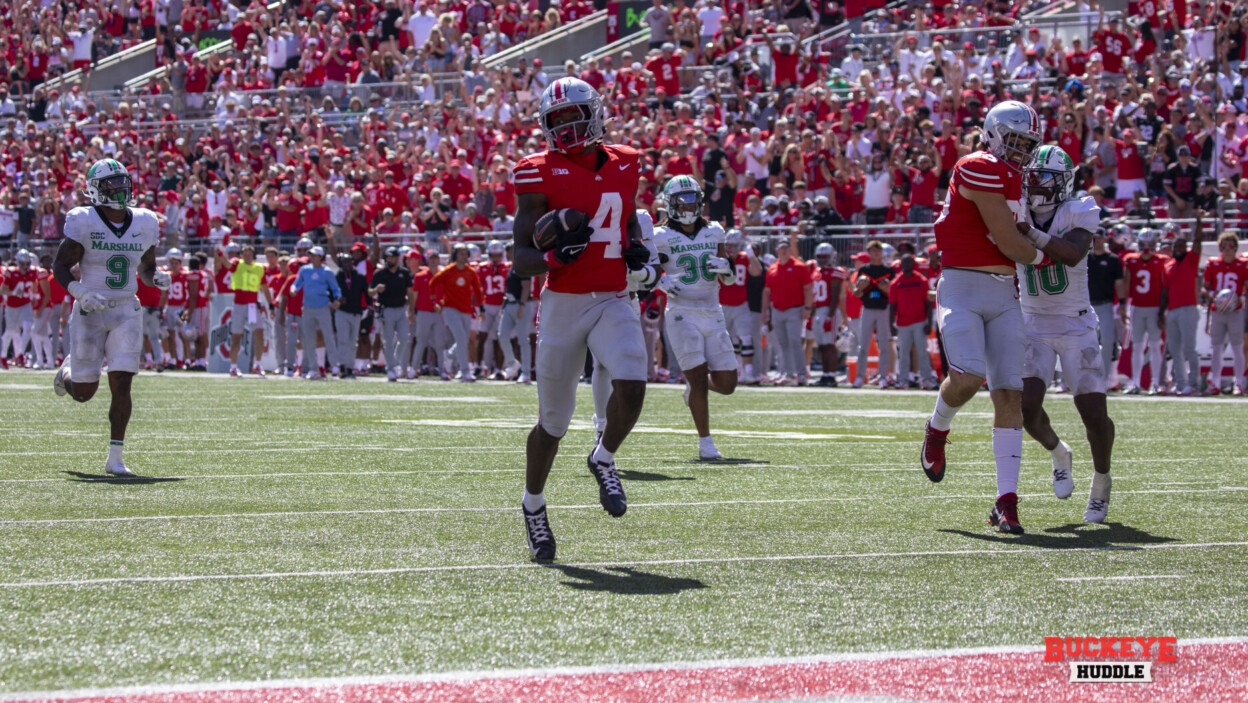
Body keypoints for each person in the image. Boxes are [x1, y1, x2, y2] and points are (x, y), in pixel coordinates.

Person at [511, 77, 650, 561]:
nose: (567, 128)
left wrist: (634, 247)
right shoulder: (535, 172)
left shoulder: (627, 161)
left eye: (574, 116)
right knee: (552, 422)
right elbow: (520, 257)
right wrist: (553, 259)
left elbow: (627, 215)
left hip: (612, 296)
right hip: (563, 302)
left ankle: (603, 456)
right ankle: (533, 507)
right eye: (558, 121)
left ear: (594, 113)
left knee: (632, 382)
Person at [920, 101, 1045, 534]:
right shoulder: (978, 164)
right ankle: (937, 428)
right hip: (963, 283)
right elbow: (1011, 241)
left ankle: (1006, 502)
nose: (1020, 150)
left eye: (1028, 144)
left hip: (1004, 290)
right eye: (1014, 140)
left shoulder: (1019, 176)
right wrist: (1050, 253)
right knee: (969, 376)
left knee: (1010, 394)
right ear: (993, 134)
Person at [1014, 145, 1116, 524]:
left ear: (1063, 182)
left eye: (1044, 178)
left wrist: (1030, 235)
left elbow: (1072, 253)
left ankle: (1102, 478)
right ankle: (1059, 452)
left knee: (1093, 413)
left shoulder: (1080, 208)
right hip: (1033, 323)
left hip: (1075, 324)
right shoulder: (1018, 208)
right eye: (1032, 176)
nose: (1036, 183)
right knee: (1025, 407)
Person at [51, 159, 166, 477]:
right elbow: (60, 266)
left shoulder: (144, 220)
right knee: (84, 393)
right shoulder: (83, 220)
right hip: (89, 309)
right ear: (94, 189)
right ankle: (68, 373)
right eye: (111, 184)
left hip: (126, 309)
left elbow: (146, 268)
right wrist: (79, 291)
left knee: (122, 380)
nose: (119, 189)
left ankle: (116, 457)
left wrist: (157, 278)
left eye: (122, 183)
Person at [653, 176, 737, 460]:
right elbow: (647, 270)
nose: (687, 206)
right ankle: (706, 443)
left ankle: (692, 388)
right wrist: (659, 281)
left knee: (727, 385)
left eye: (692, 200)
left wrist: (727, 266)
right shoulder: (660, 235)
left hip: (712, 311)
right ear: (670, 203)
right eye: (682, 200)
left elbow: (728, 278)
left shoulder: (714, 230)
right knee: (699, 377)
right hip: (681, 312)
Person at [1160, 218, 1206, 396]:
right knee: (1175, 349)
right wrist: (1160, 313)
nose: (1179, 249)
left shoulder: (1191, 260)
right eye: (1176, 247)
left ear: (1186, 248)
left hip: (1188, 308)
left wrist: (1199, 224)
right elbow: (1165, 291)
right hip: (1172, 310)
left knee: (1189, 348)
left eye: (1181, 246)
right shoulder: (1168, 266)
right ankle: (1180, 383)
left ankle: (1193, 383)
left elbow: (1198, 243)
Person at [761, 239, 814, 385]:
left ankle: (801, 374)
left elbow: (808, 288)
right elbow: (767, 292)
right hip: (777, 310)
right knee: (783, 343)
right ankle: (789, 374)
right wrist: (765, 311)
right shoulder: (772, 269)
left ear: (790, 250)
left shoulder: (799, 266)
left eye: (786, 248)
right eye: (781, 249)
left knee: (795, 341)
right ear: (777, 251)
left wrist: (807, 307)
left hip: (795, 309)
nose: (784, 251)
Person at [1122, 229, 1168, 394]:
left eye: (1150, 244)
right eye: (1144, 244)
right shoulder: (1131, 261)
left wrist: (1163, 311)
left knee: (1155, 346)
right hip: (1137, 307)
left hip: (1155, 307)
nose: (1147, 248)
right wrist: (1124, 306)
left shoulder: (1162, 261)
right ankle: (1135, 383)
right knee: (1138, 346)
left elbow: (1165, 287)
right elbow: (1126, 284)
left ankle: (1155, 383)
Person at [430, 244, 484, 382]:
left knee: (463, 340)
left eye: (465, 254)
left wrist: (481, 308)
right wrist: (434, 301)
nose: (463, 256)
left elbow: (478, 291)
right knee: (461, 338)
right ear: (455, 255)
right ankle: (465, 371)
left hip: (466, 309)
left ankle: (449, 356)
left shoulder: (470, 272)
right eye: (460, 253)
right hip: (450, 309)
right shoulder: (448, 271)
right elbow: (433, 283)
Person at [217, 244, 273, 377]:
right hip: (239, 304)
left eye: (249, 254)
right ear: (241, 255)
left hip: (252, 305)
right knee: (237, 336)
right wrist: (220, 254)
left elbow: (264, 287)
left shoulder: (259, 268)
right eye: (245, 254)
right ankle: (233, 366)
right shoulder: (238, 264)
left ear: (253, 256)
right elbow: (227, 265)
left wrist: (271, 305)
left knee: (259, 333)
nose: (247, 256)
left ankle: (258, 364)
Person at [1203, 231, 1248, 395]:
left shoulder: (1242, 264)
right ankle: (1215, 383)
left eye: (1231, 246)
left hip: (1236, 311)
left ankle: (1239, 384)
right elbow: (1205, 288)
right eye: (1224, 246)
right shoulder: (1212, 264)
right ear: (1220, 247)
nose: (1228, 249)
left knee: (1238, 348)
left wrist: (1240, 299)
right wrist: (1213, 296)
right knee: (1216, 349)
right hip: (1218, 311)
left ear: (1236, 248)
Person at [719, 229, 763, 382]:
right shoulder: (722, 258)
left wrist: (751, 255)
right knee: (728, 340)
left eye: (733, 245)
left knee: (746, 338)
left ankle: (749, 372)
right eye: (728, 244)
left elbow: (757, 271)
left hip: (741, 305)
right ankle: (737, 372)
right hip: (722, 304)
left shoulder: (745, 258)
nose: (730, 248)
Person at [292, 246, 341, 380]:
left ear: (320, 257)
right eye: (311, 255)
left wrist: (337, 299)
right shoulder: (304, 270)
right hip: (307, 307)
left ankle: (334, 365)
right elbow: (297, 283)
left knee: (328, 336)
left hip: (323, 307)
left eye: (315, 255)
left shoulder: (327, 272)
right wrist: (293, 289)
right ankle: (313, 368)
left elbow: (335, 288)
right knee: (308, 339)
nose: (312, 257)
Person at [1086, 229, 1126, 387]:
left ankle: (1104, 378)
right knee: (1085, 341)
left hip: (1106, 304)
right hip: (1087, 304)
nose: (1097, 240)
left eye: (1099, 238)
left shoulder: (1113, 259)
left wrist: (1122, 303)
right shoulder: (1086, 258)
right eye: (1094, 238)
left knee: (1108, 340)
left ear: (1104, 239)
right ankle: (1083, 376)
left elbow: (1120, 283)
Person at [370, 246, 415, 382]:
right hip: (386, 309)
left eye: (393, 257)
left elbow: (410, 293)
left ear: (397, 258)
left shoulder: (404, 273)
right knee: (388, 341)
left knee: (404, 338)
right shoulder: (380, 274)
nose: (390, 260)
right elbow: (370, 291)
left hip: (401, 309)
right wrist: (376, 289)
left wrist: (411, 310)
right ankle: (391, 369)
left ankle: (394, 363)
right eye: (388, 257)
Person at [853, 241, 894, 388]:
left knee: (884, 345)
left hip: (883, 308)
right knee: (863, 344)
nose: (876, 253)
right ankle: (859, 377)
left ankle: (883, 376)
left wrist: (886, 290)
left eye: (878, 250)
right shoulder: (864, 270)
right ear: (869, 253)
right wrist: (861, 287)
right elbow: (857, 293)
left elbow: (893, 294)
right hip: (868, 308)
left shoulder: (889, 270)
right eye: (873, 251)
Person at [889, 253, 932, 390]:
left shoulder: (922, 280)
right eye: (904, 262)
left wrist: (929, 323)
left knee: (922, 352)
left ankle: (926, 380)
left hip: (919, 321)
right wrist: (891, 324)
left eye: (909, 262)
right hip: (902, 323)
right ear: (901, 265)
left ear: (913, 264)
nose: (907, 265)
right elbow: (892, 306)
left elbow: (928, 304)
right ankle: (903, 380)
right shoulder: (896, 283)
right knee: (903, 353)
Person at [811, 243, 847, 387]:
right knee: (822, 345)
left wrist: (829, 316)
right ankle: (825, 375)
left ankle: (831, 376)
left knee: (830, 345)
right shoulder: (816, 271)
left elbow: (835, 295)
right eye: (819, 257)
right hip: (818, 310)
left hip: (828, 310)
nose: (822, 259)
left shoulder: (835, 272)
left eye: (825, 256)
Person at [334, 250, 372, 380]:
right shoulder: (337, 276)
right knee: (342, 339)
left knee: (353, 341)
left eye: (349, 262)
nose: (347, 264)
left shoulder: (359, 277)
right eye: (345, 262)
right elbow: (331, 291)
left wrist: (369, 306)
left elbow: (367, 293)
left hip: (356, 312)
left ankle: (350, 367)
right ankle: (342, 366)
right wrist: (337, 300)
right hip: (342, 311)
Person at [477, 240, 510, 379]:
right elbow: (479, 289)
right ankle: (478, 366)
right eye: (493, 255)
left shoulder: (507, 267)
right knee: (482, 337)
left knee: (498, 338)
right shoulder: (483, 268)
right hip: (487, 305)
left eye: (498, 255)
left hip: (500, 306)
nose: (496, 258)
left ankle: (498, 369)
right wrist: (480, 307)